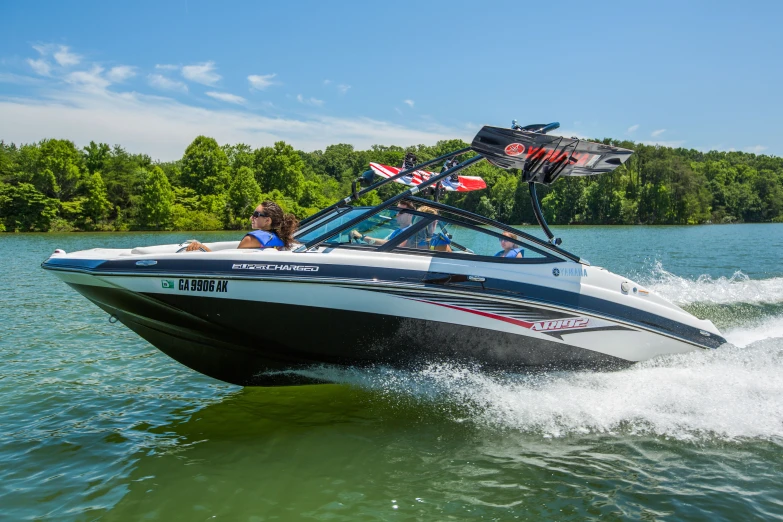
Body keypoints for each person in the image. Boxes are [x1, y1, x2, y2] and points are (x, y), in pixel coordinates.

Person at [185, 201, 299, 252]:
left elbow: (227, 264)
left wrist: (201, 247)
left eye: (256, 215)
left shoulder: (251, 239)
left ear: (267, 220)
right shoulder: (280, 239)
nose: (251, 218)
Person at [350, 200, 415, 247]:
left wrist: (362, 237)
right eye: (396, 211)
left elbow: (390, 244)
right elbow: (384, 241)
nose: (397, 214)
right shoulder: (397, 230)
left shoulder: (410, 233)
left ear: (410, 214)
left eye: (400, 212)